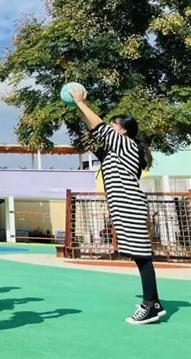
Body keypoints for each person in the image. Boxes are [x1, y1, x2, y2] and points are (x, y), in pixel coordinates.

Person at [70, 88, 165, 325]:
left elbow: (99, 127)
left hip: (130, 204)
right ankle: (154, 302)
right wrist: (78, 111)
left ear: (123, 130)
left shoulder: (127, 145)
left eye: (114, 125)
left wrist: (80, 103)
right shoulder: (114, 151)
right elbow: (95, 131)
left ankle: (150, 305)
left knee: (142, 256)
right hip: (122, 206)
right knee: (137, 254)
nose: (110, 127)